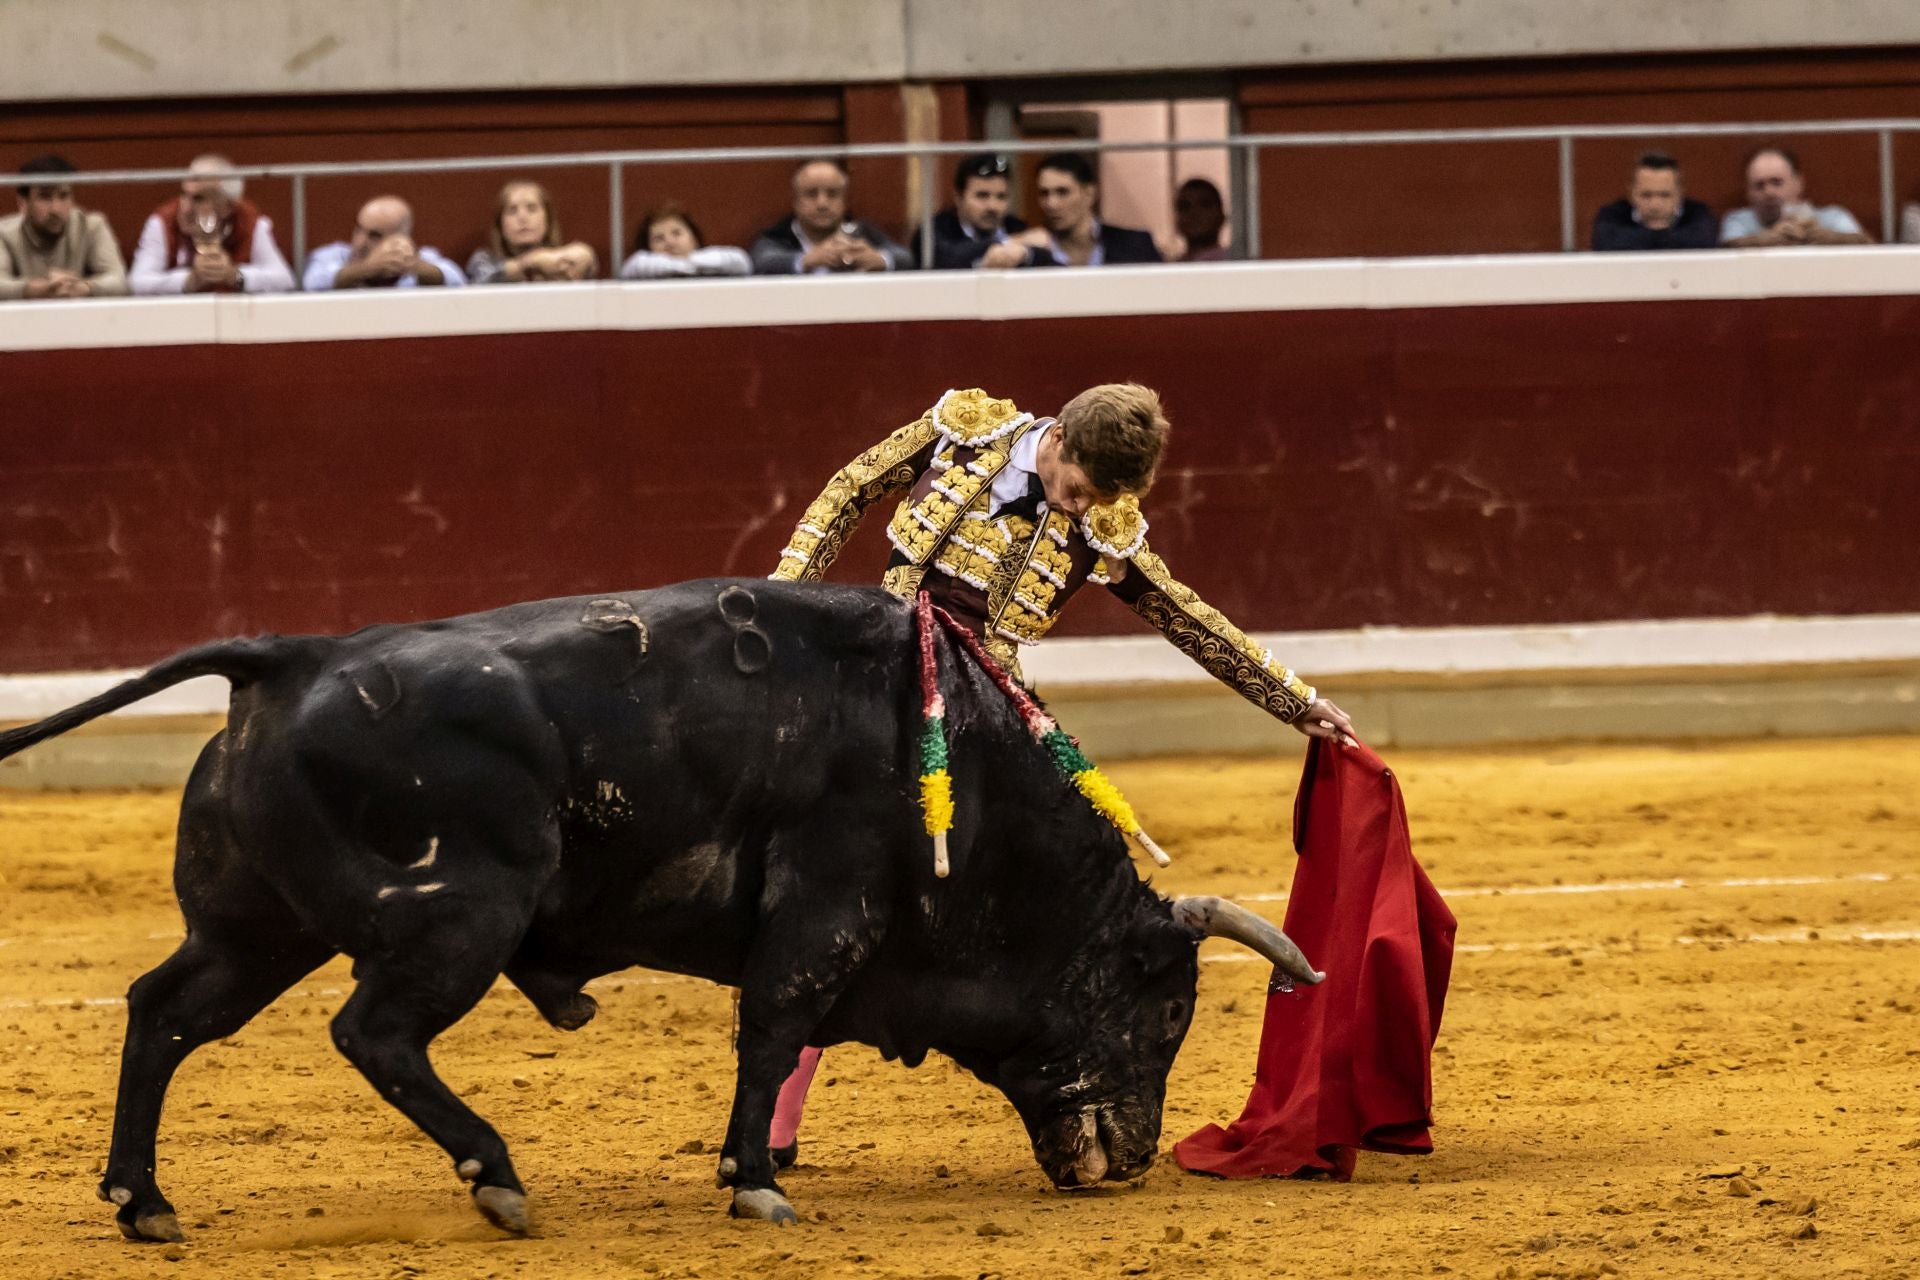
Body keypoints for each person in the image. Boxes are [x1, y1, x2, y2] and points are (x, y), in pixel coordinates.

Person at [765, 383, 1355, 1165]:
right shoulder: (963, 431)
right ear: (1060, 439)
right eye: (1079, 490)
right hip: (876, 681)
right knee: (836, 886)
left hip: (985, 722)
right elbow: (850, 487)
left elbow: (1183, 613)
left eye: (1100, 501)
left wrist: (1295, 702)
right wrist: (783, 600)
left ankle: (1072, 1086)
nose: (1083, 511)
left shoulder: (1105, 524)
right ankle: (772, 1121)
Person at [128, 154, 296, 294]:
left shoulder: (250, 221)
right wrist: (190, 280)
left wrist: (234, 276)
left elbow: (285, 280)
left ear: (227, 207)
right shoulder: (163, 221)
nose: (185, 208)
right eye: (184, 194)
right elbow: (137, 283)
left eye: (199, 199)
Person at [750, 157, 913, 275]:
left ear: (845, 200)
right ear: (796, 201)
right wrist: (805, 261)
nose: (822, 204)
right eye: (811, 194)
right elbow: (761, 262)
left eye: (832, 194)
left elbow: (906, 258)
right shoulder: (779, 235)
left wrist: (881, 260)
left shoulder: (864, 231)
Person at [0, 153, 128, 299]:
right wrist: (38, 288)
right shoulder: (4, 233)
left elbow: (119, 281)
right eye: (45, 197)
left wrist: (82, 287)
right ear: (23, 203)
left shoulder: (92, 226)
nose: (56, 209)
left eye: (63, 196)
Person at [1014, 152, 1162, 266]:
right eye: (1044, 193)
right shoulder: (1031, 250)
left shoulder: (1134, 245)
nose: (1051, 204)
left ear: (1089, 194)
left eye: (1063, 192)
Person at [912, 152, 1049, 270]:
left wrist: (1025, 251)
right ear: (958, 197)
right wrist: (1007, 242)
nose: (992, 206)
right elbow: (947, 259)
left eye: (1001, 197)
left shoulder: (1015, 226)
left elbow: (1048, 261)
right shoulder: (934, 230)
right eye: (982, 196)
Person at [301, 196, 465, 290]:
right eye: (359, 230)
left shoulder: (422, 258)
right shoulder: (334, 255)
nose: (360, 242)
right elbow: (313, 283)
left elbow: (457, 280)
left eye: (375, 235)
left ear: (401, 238)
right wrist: (368, 269)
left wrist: (413, 266)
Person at [1720, 147, 1872, 247]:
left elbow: (1866, 244)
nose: (1769, 192)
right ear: (1748, 192)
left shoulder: (1832, 216)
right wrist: (1771, 238)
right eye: (1759, 185)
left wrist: (1821, 236)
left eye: (1776, 182)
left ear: (1798, 183)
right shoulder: (1738, 220)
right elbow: (1726, 249)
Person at [467, 181, 598, 284]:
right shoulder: (483, 260)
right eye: (512, 211)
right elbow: (480, 282)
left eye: (532, 209)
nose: (522, 218)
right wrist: (531, 262)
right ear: (500, 225)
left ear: (548, 220)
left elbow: (585, 259)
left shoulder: (560, 261)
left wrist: (584, 254)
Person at [1590, 152, 1718, 251]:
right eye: (1646, 195)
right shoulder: (1611, 214)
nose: (1655, 205)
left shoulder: (1698, 213)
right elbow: (1605, 243)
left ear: (1680, 193)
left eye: (1665, 195)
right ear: (1632, 193)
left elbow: (1704, 241)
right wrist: (1668, 238)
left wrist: (1643, 239)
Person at [618, 203, 751, 280]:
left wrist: (690, 262)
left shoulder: (714, 258)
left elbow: (742, 262)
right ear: (648, 247)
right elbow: (632, 267)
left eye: (676, 233)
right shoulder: (641, 264)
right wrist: (684, 266)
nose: (669, 242)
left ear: (694, 238)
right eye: (659, 238)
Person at [1171, 177, 1230, 262]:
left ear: (1221, 216)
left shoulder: (1232, 265)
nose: (1193, 213)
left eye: (1205, 205)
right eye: (1184, 206)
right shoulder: (1169, 269)